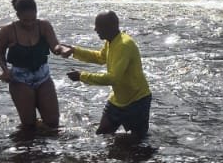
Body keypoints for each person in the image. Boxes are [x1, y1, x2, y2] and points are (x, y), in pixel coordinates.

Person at [56, 10, 152, 139]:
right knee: (102, 134)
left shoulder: (124, 45)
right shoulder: (111, 40)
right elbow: (100, 57)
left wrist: (81, 76)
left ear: (112, 26)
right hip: (118, 100)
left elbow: (113, 78)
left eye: (99, 26)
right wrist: (74, 51)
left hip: (137, 101)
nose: (95, 29)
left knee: (138, 143)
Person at [0, 0, 62, 134]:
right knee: (29, 125)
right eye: (25, 20)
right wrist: (4, 70)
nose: (30, 23)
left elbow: (55, 46)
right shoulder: (7, 30)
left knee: (53, 122)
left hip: (43, 76)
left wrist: (61, 49)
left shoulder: (44, 25)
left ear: (37, 13)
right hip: (20, 78)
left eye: (33, 19)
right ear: (18, 15)